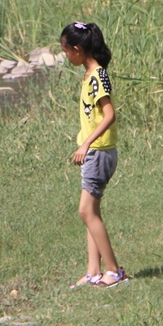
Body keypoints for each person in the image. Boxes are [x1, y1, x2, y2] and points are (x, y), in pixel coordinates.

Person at [61, 21, 126, 288]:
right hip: (95, 153)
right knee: (92, 212)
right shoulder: (89, 75)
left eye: (65, 50)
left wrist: (86, 143)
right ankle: (93, 272)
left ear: (77, 49)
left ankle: (113, 270)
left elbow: (109, 115)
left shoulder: (98, 76)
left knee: (86, 211)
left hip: (98, 153)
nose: (65, 55)